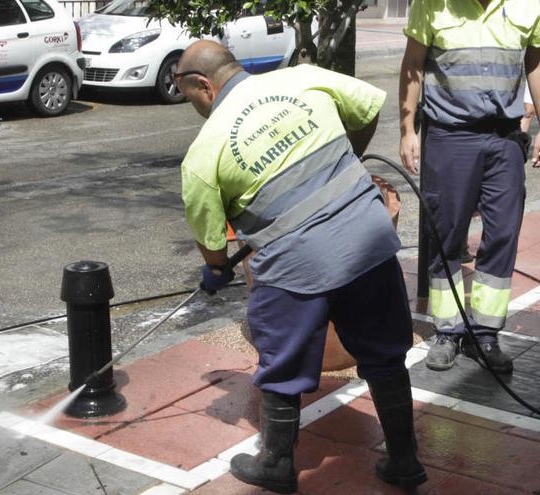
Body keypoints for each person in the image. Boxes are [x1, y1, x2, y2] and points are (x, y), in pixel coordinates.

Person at [176, 40, 426, 494]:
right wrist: (346, 160)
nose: (190, 104)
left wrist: (215, 271)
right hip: (366, 239)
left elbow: (213, 246)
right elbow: (368, 106)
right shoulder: (303, 78)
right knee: (384, 353)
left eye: (187, 94)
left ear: (203, 85)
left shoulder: (204, 153)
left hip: (295, 265)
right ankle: (405, 462)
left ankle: (275, 464)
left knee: (283, 361)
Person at [399, 0, 540, 373]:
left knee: (503, 234)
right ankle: (448, 331)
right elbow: (413, 65)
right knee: (445, 234)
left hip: (505, 140)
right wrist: (407, 130)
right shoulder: (432, 5)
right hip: (449, 137)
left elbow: (536, 64)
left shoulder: (530, 6)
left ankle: (485, 334)